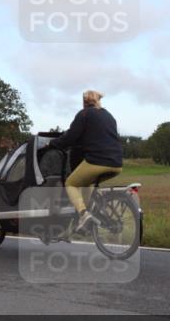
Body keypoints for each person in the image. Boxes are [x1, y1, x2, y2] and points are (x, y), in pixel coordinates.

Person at [50, 90, 123, 232]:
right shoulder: (109, 116)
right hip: (117, 163)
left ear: (84, 102)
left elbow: (70, 137)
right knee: (87, 182)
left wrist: (53, 143)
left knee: (70, 183)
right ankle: (86, 222)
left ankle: (83, 214)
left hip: (98, 161)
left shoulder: (83, 114)